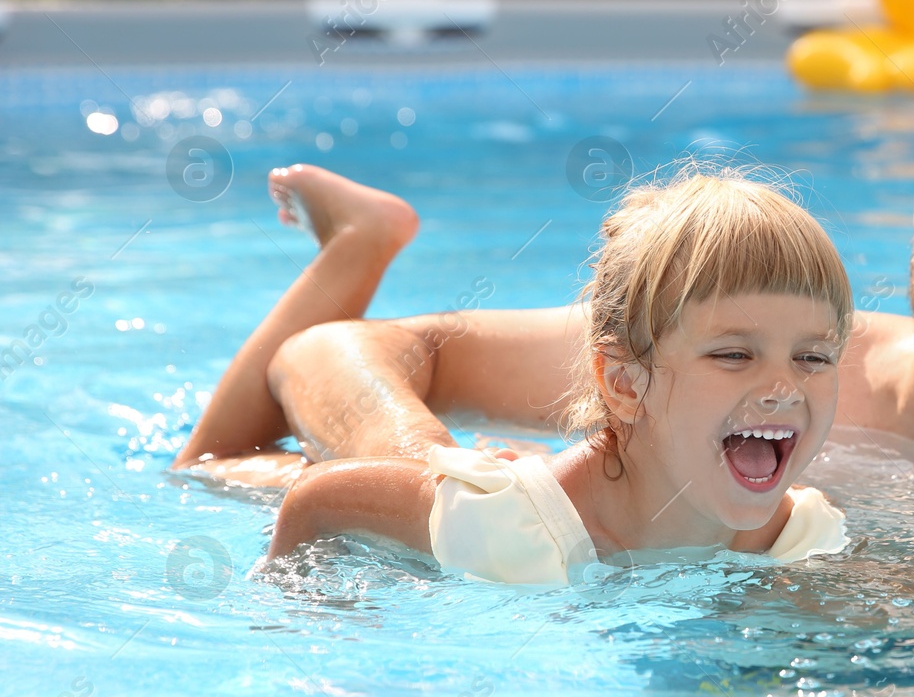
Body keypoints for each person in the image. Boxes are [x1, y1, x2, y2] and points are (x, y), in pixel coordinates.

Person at [268, 20, 914, 475]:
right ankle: (360, 243)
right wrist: (426, 463)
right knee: (217, 475)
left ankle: (358, 239)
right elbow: (340, 355)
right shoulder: (774, 360)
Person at [174, 168, 856, 583]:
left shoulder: (801, 536)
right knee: (207, 464)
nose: (782, 387)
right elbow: (320, 498)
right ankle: (358, 240)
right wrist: (303, 598)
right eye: (734, 354)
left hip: (553, 472)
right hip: (446, 479)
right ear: (623, 382)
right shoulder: (504, 524)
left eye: (813, 357)